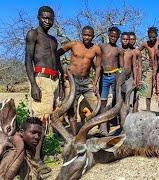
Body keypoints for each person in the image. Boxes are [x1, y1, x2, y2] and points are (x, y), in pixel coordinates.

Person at [25, 5, 62, 173]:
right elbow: (28, 60)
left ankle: (39, 155)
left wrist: (61, 84)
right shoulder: (33, 34)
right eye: (44, 18)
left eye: (50, 18)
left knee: (48, 121)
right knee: (39, 121)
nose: (47, 21)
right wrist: (33, 84)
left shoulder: (53, 40)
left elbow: (57, 62)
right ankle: (35, 160)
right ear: (38, 17)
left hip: (54, 80)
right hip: (41, 79)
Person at [57, 26, 101, 136]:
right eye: (85, 35)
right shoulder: (74, 44)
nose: (87, 37)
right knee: (72, 108)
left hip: (86, 82)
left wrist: (95, 83)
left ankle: (93, 129)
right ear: (81, 34)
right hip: (73, 81)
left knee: (97, 106)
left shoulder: (96, 49)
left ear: (93, 36)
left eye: (89, 35)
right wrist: (62, 72)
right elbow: (57, 53)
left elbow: (98, 67)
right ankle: (74, 135)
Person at [98, 26, 122, 135]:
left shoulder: (118, 50)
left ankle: (114, 121)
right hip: (103, 77)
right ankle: (103, 127)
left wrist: (119, 76)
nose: (113, 38)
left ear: (118, 37)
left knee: (115, 99)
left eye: (115, 37)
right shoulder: (102, 46)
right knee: (103, 101)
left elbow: (120, 66)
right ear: (108, 35)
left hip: (114, 76)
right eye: (111, 36)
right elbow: (97, 62)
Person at [139, 27, 158, 111]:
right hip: (150, 69)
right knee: (148, 90)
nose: (151, 39)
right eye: (150, 37)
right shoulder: (145, 44)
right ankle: (148, 109)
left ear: (156, 35)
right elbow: (136, 51)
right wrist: (142, 58)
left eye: (153, 37)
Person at [120, 32, 137, 117]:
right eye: (124, 39)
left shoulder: (131, 52)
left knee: (130, 98)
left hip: (129, 78)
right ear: (120, 40)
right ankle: (120, 118)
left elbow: (134, 66)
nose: (125, 41)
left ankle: (129, 117)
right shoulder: (118, 50)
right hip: (119, 78)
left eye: (127, 39)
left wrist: (135, 79)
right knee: (120, 99)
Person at [128, 31, 141, 113]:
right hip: (127, 76)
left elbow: (140, 66)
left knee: (136, 96)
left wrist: (138, 79)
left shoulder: (137, 51)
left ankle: (135, 114)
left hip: (135, 76)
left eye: (134, 39)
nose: (132, 41)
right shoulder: (124, 50)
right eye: (130, 39)